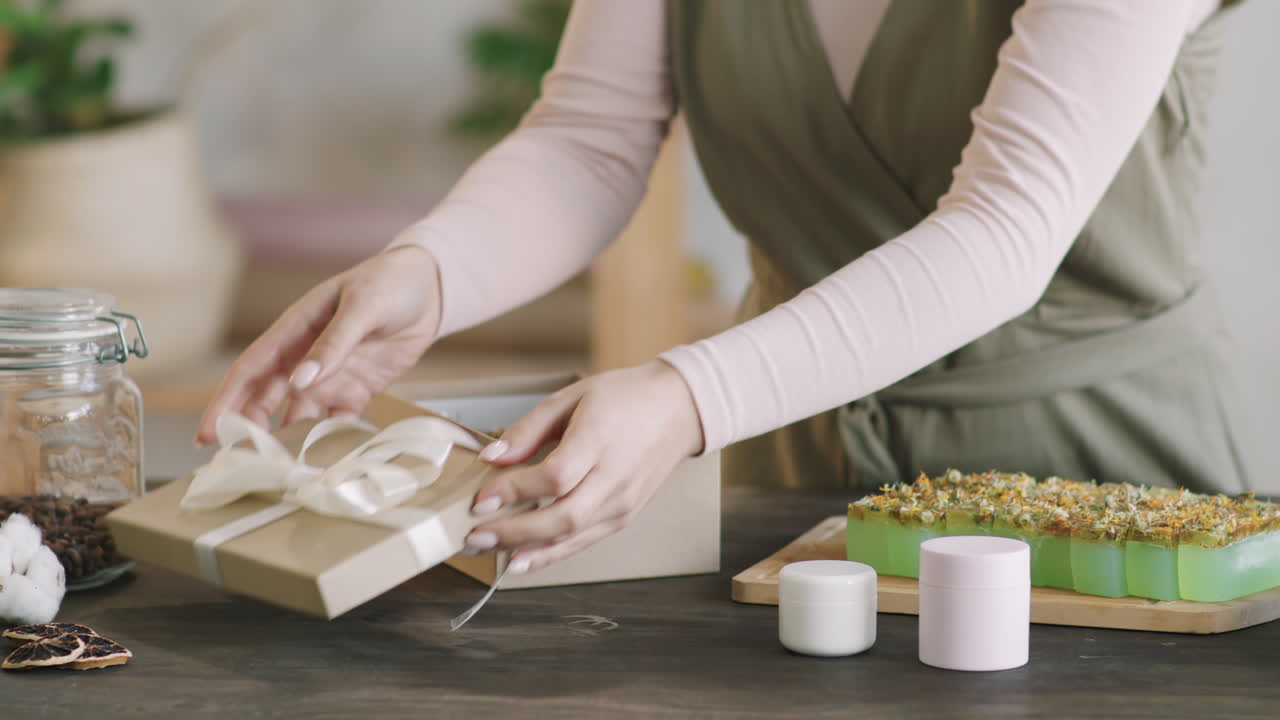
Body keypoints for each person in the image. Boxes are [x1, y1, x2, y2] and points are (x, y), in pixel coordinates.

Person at [197, 0, 1254, 577]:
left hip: (1095, 487)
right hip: (793, 469)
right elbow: (589, 138)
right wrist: (430, 272)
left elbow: (1004, 230)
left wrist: (687, 395)